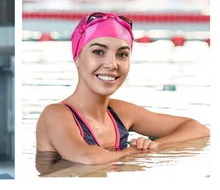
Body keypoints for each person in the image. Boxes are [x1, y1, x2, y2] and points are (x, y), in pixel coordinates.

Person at [36, 12, 209, 167]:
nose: (112, 64)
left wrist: (153, 145)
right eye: (98, 52)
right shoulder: (55, 114)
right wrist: (133, 153)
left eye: (122, 55)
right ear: (77, 57)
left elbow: (198, 129)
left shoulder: (120, 112)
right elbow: (88, 158)